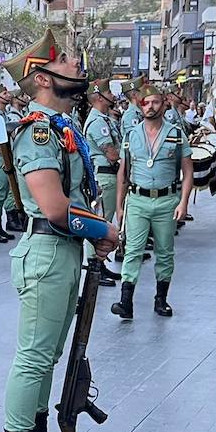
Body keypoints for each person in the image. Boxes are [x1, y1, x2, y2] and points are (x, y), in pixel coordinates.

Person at [0, 30, 117, 432]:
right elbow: (53, 207)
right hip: (48, 250)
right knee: (33, 357)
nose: (77, 65)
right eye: (66, 61)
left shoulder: (65, 128)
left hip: (63, 252)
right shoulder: (40, 130)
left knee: (47, 357)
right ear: (44, 78)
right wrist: (102, 230)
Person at [111, 82, 193, 319]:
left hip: (166, 201)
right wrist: (119, 206)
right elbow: (123, 174)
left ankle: (161, 299)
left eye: (155, 102)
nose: (150, 107)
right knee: (132, 250)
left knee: (165, 251)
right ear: (140, 105)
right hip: (137, 199)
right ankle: (126, 301)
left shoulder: (176, 135)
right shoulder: (131, 135)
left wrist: (183, 202)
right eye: (146, 103)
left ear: (164, 103)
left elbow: (187, 171)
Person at [82, 78, 122, 286]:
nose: (113, 96)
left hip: (110, 176)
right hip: (104, 176)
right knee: (100, 222)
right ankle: (94, 267)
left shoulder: (105, 119)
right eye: (109, 92)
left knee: (104, 220)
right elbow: (112, 154)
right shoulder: (98, 122)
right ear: (98, 96)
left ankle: (100, 264)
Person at [0, 87, 23, 240]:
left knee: (8, 192)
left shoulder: (5, 115)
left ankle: (1, 226)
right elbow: (0, 142)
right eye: (4, 94)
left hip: (7, 157)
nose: (8, 95)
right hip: (0, 157)